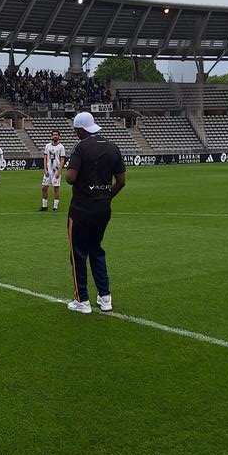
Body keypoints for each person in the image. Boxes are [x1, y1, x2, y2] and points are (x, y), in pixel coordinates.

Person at [65, 111, 126, 314]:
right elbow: (121, 181)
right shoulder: (112, 147)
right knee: (97, 250)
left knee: (78, 254)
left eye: (76, 130)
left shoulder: (81, 147)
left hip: (82, 209)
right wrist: (107, 197)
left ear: (81, 130)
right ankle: (105, 297)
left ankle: (82, 300)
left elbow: (70, 178)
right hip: (103, 209)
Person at [39, 128, 66, 213]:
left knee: (56, 189)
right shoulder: (47, 146)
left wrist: (59, 171)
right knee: (44, 188)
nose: (55, 136)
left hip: (56, 171)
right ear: (51, 136)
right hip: (48, 171)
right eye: (54, 135)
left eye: (56, 135)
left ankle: (55, 207)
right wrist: (45, 170)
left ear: (59, 136)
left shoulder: (61, 147)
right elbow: (45, 158)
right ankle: (44, 206)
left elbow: (62, 159)